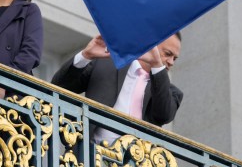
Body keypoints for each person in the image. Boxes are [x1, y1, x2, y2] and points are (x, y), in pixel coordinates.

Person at [51, 32, 183, 130]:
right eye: (167, 53)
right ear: (151, 45)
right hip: (91, 157)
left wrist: (157, 66)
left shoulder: (172, 93)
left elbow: (163, 115)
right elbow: (60, 87)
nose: (171, 62)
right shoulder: (105, 65)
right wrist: (85, 56)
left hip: (137, 163)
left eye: (175, 58)